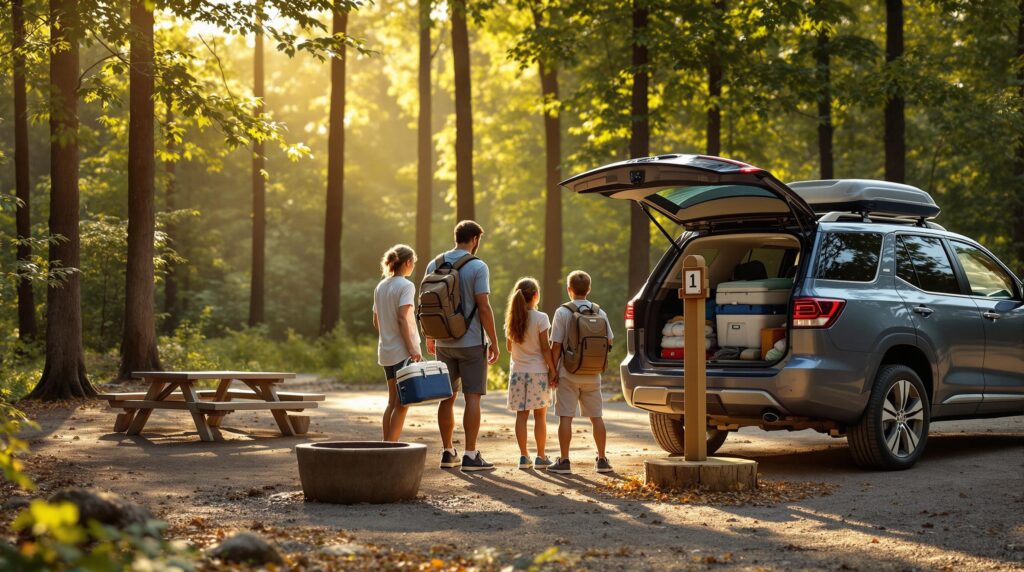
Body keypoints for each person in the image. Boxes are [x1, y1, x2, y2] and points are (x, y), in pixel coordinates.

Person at [424, 220, 500, 472]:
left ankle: (447, 452)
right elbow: (484, 306)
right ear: (475, 239)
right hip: (471, 342)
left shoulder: (434, 264)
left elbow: (427, 304)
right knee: (473, 397)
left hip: (444, 341)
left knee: (446, 397)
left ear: (456, 237)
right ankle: (470, 454)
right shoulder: (478, 266)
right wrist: (494, 341)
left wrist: (430, 336)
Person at [547, 270, 614, 474]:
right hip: (593, 373)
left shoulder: (562, 312)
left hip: (569, 372)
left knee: (566, 416)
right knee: (597, 417)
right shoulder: (599, 312)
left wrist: (553, 371)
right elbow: (609, 341)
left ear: (569, 290)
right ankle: (602, 459)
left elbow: (556, 345)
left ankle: (564, 461)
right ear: (589, 289)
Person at [503, 278, 558, 470]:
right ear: (536, 295)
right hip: (537, 373)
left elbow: (510, 348)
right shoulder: (541, 318)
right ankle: (541, 457)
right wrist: (553, 370)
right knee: (540, 417)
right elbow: (545, 348)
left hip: (518, 372)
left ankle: (523, 456)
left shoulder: (511, 318)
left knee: (521, 416)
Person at [373, 245, 422, 442]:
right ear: (408, 262)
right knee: (402, 403)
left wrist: (388, 336)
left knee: (392, 401)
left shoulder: (381, 286)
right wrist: (411, 348)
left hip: (386, 351)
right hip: (403, 351)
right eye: (414, 263)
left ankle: (386, 445)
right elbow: (403, 318)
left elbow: (376, 321)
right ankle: (391, 447)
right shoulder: (406, 286)